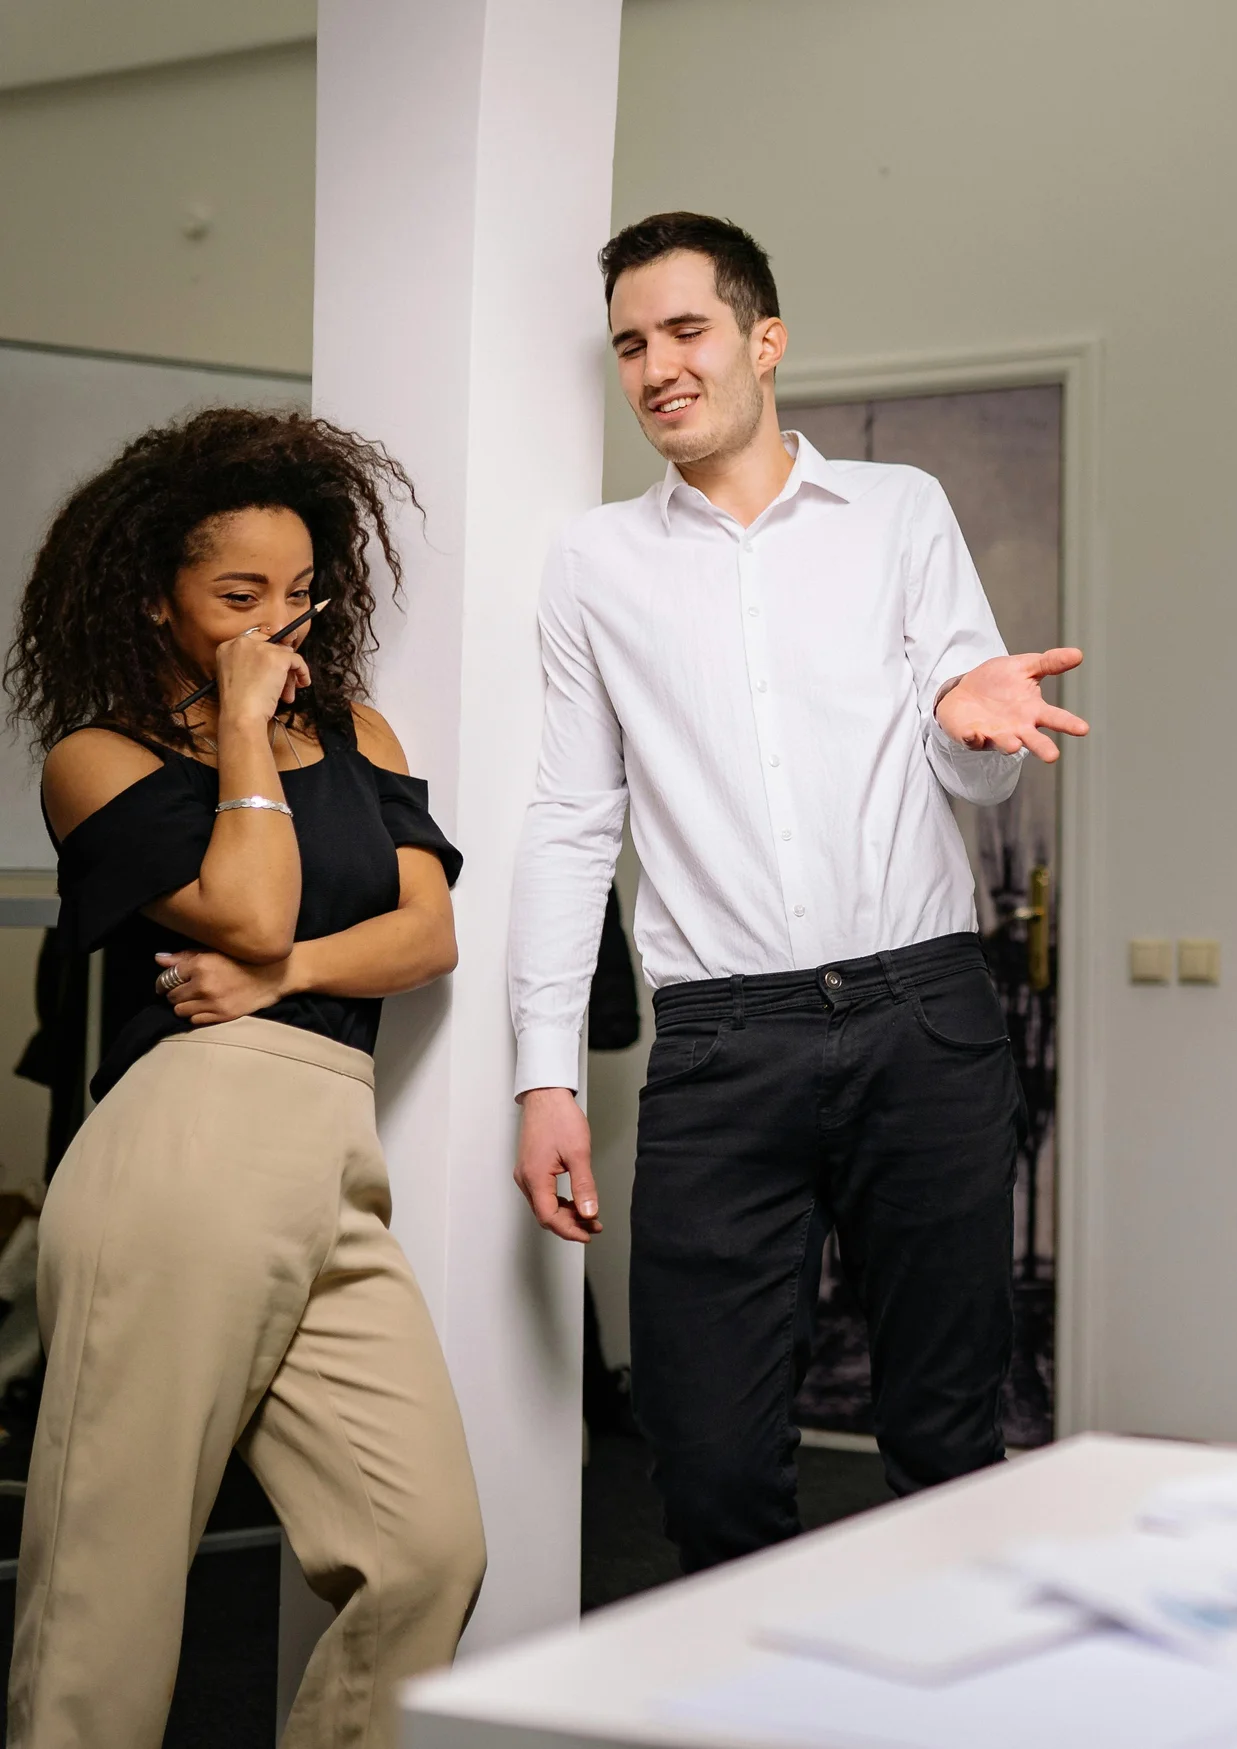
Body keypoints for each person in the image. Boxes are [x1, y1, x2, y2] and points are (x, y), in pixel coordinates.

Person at [507, 213, 1088, 1570]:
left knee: (949, 1451)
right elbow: (570, 823)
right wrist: (545, 1075)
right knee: (707, 1469)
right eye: (630, 345)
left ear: (766, 342)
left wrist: (972, 721)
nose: (657, 367)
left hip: (926, 1022)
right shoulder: (595, 565)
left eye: (687, 331)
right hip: (722, 1043)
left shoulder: (901, 513)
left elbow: (983, 774)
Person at [5, 409, 483, 1746]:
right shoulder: (96, 758)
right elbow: (252, 901)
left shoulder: (364, 734)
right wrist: (245, 731)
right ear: (156, 600)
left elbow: (426, 932)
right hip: (180, 1146)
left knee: (426, 1546)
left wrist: (279, 975)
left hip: (332, 1150)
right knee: (111, 1590)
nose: (276, 621)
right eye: (235, 596)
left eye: (296, 592)